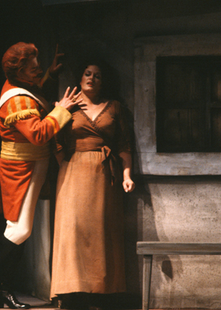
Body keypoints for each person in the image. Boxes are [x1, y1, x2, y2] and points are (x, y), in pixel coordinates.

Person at [0, 42, 81, 309]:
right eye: (33, 68)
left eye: (38, 66)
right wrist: (62, 109)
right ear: (19, 72)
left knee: (21, 233)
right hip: (21, 169)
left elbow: (37, 94)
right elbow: (38, 133)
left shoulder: (24, 87)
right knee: (20, 230)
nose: (38, 71)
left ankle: (1, 292)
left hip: (34, 165)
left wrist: (50, 73)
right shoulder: (16, 98)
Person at [49, 61, 135, 309]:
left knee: (101, 232)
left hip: (104, 175)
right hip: (73, 172)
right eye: (88, 73)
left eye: (98, 75)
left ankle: (102, 291)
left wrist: (127, 175)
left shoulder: (115, 108)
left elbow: (124, 145)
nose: (92, 78)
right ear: (80, 76)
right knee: (73, 231)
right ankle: (71, 290)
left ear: (103, 81)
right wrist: (66, 163)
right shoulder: (68, 106)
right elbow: (54, 139)